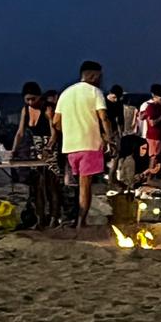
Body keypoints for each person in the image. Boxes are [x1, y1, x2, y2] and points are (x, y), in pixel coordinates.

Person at [54, 61, 111, 229]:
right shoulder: (95, 92)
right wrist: (109, 138)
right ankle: (81, 221)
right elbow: (104, 117)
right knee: (85, 186)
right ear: (93, 76)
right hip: (90, 144)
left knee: (72, 184)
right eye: (99, 77)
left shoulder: (66, 93)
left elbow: (56, 122)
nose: (101, 80)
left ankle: (69, 218)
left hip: (70, 146)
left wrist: (70, 130)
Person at [11, 82, 60, 227]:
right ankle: (40, 218)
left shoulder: (47, 109)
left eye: (34, 99)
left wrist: (49, 148)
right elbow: (20, 132)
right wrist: (13, 150)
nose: (31, 102)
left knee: (52, 185)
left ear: (40, 97)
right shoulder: (25, 110)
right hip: (34, 148)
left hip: (49, 147)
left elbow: (54, 134)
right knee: (37, 186)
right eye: (28, 99)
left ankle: (54, 217)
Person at [138, 84, 161, 178]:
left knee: (158, 159)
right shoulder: (151, 107)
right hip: (154, 137)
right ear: (155, 97)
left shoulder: (159, 107)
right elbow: (152, 123)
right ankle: (147, 177)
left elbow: (142, 116)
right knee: (154, 158)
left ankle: (151, 177)